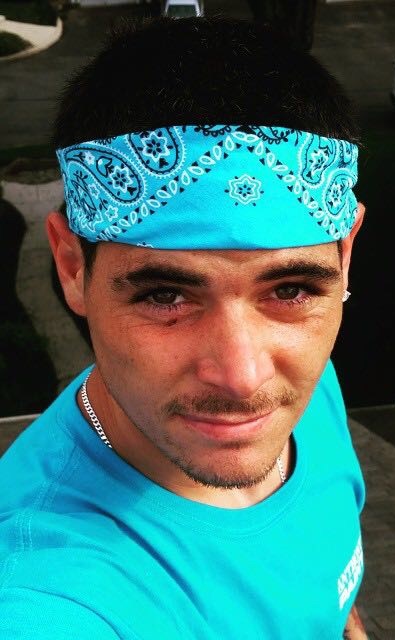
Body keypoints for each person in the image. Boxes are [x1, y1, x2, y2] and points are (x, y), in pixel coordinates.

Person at [0, 16, 368, 639]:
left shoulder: (315, 388)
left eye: (291, 290)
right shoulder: (45, 592)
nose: (243, 378)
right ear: (71, 267)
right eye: (165, 295)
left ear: (346, 258)